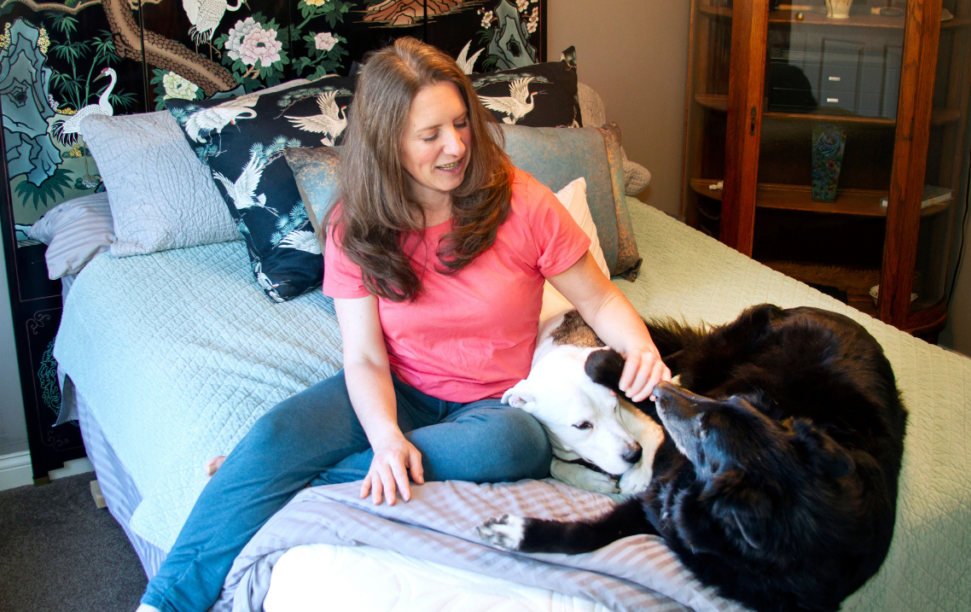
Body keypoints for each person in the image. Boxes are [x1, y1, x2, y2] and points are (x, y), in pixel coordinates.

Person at [137, 37, 671, 612]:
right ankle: (165, 600)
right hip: (397, 385)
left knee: (515, 445)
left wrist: (641, 349)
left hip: (492, 404)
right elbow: (365, 357)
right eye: (431, 134)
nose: (456, 146)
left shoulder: (524, 203)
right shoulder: (355, 224)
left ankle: (270, 483)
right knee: (272, 436)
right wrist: (385, 437)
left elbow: (599, 301)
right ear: (388, 142)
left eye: (462, 123)